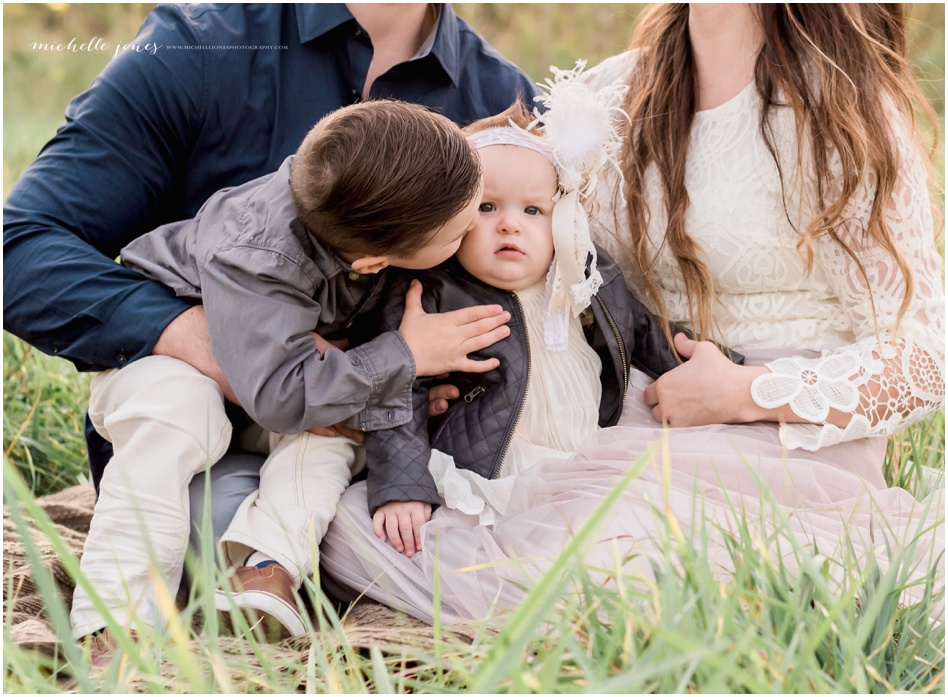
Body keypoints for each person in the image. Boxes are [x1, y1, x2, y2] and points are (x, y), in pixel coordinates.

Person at [321, 4, 945, 624]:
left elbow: (929, 355)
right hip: (637, 407)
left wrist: (751, 391)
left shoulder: (841, 107)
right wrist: (411, 342)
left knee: (615, 538)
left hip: (786, 433)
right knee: (359, 522)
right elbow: (502, 227)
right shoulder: (605, 97)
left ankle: (701, 596)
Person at [2, 3, 536, 543]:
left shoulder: (503, 99)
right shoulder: (199, 45)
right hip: (214, 441)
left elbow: (568, 285)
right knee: (218, 525)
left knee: (490, 536)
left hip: (411, 459)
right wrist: (221, 349)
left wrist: (406, 388)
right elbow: (18, 249)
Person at [71, 100, 513, 649]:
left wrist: (399, 395)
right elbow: (283, 394)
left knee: (330, 442)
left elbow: (314, 385)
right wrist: (406, 355)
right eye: (458, 231)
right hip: (169, 364)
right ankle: (114, 617)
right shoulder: (258, 253)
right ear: (373, 262)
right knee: (179, 417)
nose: (474, 227)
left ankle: (264, 567)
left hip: (284, 386)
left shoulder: (363, 211)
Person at [362, 101, 735, 559]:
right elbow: (397, 393)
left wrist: (718, 364)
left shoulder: (583, 272)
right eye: (486, 206)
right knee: (517, 549)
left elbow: (644, 333)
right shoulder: (431, 294)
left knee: (643, 518)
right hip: (496, 463)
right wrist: (402, 482)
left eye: (533, 210)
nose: (510, 224)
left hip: (589, 450)